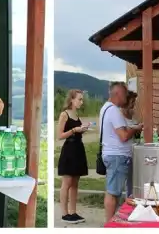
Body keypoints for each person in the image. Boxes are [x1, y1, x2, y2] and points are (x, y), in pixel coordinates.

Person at [99, 82, 143, 223]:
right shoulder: (113, 110)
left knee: (114, 191)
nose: (126, 98)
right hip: (117, 156)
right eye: (124, 94)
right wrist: (136, 129)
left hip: (113, 154)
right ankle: (110, 224)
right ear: (117, 93)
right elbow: (123, 136)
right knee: (113, 193)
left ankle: (112, 222)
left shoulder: (105, 108)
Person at [57, 90, 89, 224]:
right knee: (67, 182)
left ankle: (73, 212)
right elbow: (59, 135)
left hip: (78, 149)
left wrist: (83, 129)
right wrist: (74, 130)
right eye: (79, 99)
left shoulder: (76, 114)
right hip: (69, 150)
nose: (81, 102)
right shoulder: (64, 114)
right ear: (72, 100)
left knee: (75, 183)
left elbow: (77, 132)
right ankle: (64, 214)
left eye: (82, 100)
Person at [120, 91, 139, 198]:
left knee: (131, 183)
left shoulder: (131, 114)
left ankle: (130, 201)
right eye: (132, 101)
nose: (133, 104)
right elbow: (124, 135)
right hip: (123, 152)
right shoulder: (119, 116)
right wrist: (135, 129)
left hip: (132, 152)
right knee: (121, 183)